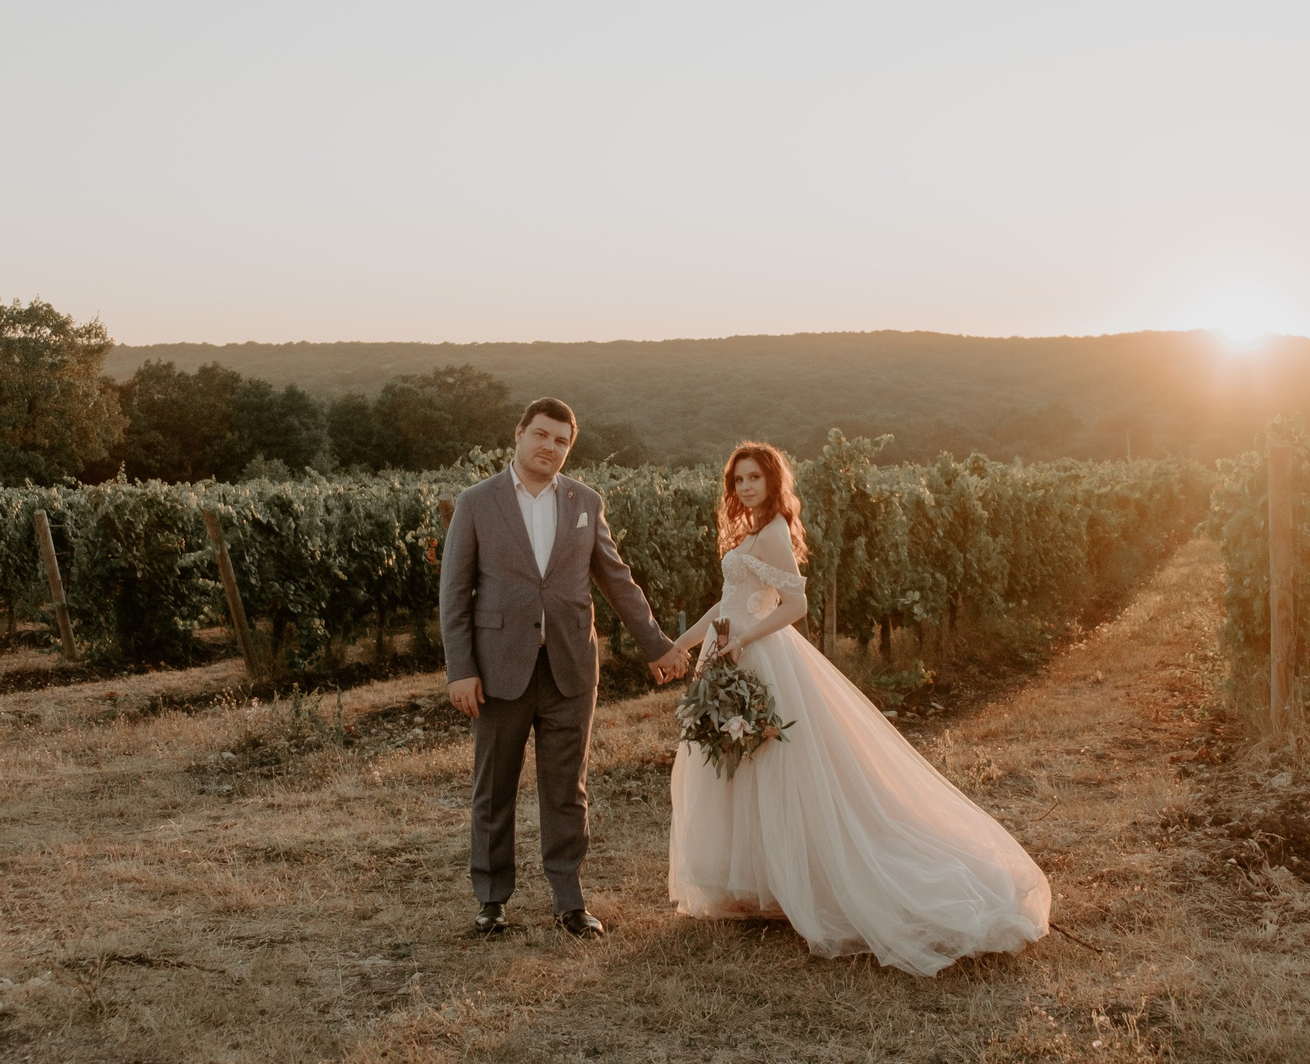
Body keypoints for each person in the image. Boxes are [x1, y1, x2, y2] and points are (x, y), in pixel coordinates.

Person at [665, 442, 1051, 976]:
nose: (744, 487)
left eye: (754, 478)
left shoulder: (774, 531)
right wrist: (682, 645)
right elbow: (724, 603)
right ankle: (760, 887)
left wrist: (744, 638)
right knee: (740, 764)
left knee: (775, 765)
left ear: (773, 482)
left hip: (758, 653)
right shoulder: (750, 531)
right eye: (737, 480)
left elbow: (795, 605)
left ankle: (801, 883)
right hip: (730, 649)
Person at [440, 397, 690, 940]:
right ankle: (491, 899)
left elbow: (617, 580)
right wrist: (460, 668)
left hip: (571, 668)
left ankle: (569, 900)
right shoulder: (476, 502)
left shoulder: (584, 501)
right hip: (498, 669)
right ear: (519, 434)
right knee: (493, 788)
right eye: (542, 435)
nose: (550, 447)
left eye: (561, 441)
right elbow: (454, 592)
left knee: (566, 789)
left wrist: (657, 646)